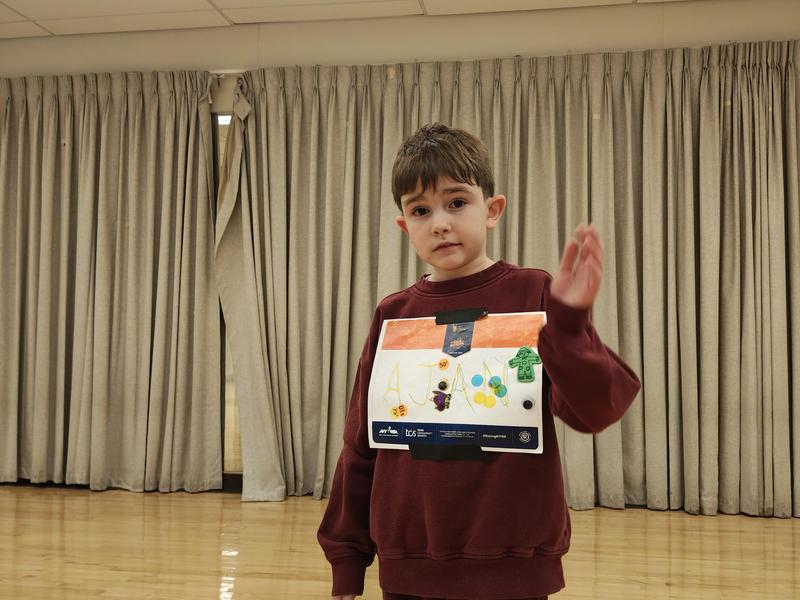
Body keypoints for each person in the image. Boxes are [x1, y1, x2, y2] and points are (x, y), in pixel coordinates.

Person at [317, 123, 641, 600]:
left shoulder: (534, 293)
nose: (440, 222)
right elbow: (361, 443)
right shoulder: (393, 313)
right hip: (408, 569)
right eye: (421, 210)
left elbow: (597, 409)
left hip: (515, 564)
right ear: (405, 226)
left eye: (456, 202)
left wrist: (568, 327)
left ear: (492, 210)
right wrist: (347, 561)